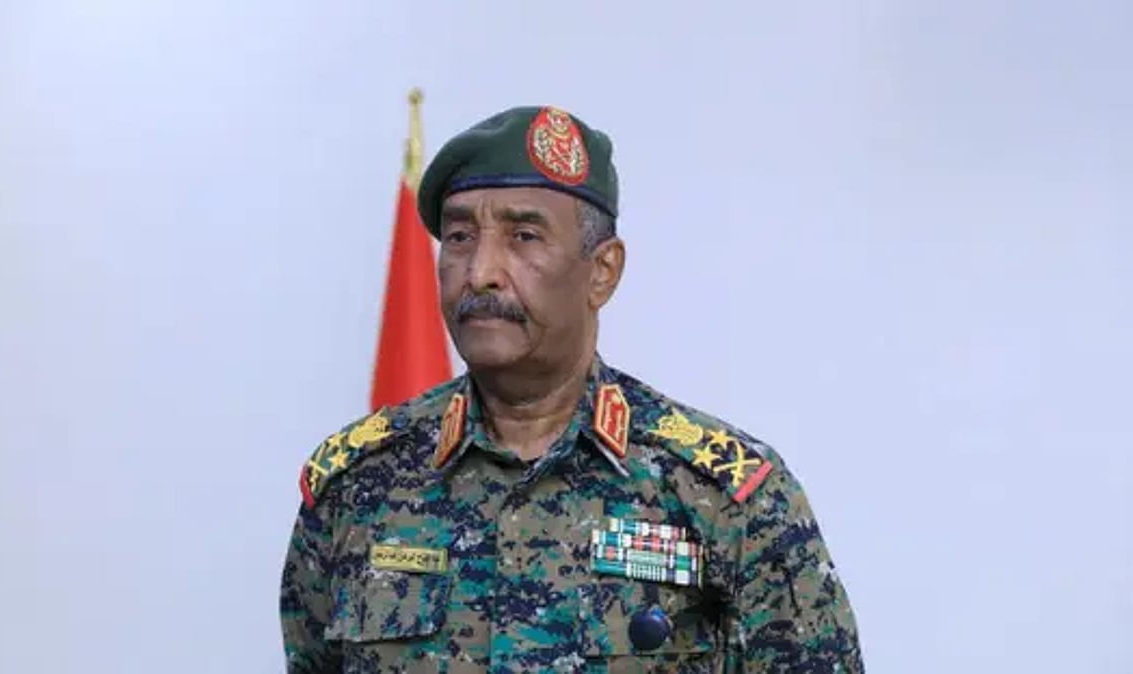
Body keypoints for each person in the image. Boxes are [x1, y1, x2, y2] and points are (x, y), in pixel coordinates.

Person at [279, 105, 863, 673]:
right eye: (458, 237)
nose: (480, 272)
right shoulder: (357, 485)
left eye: (524, 236)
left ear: (602, 271)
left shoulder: (725, 498)